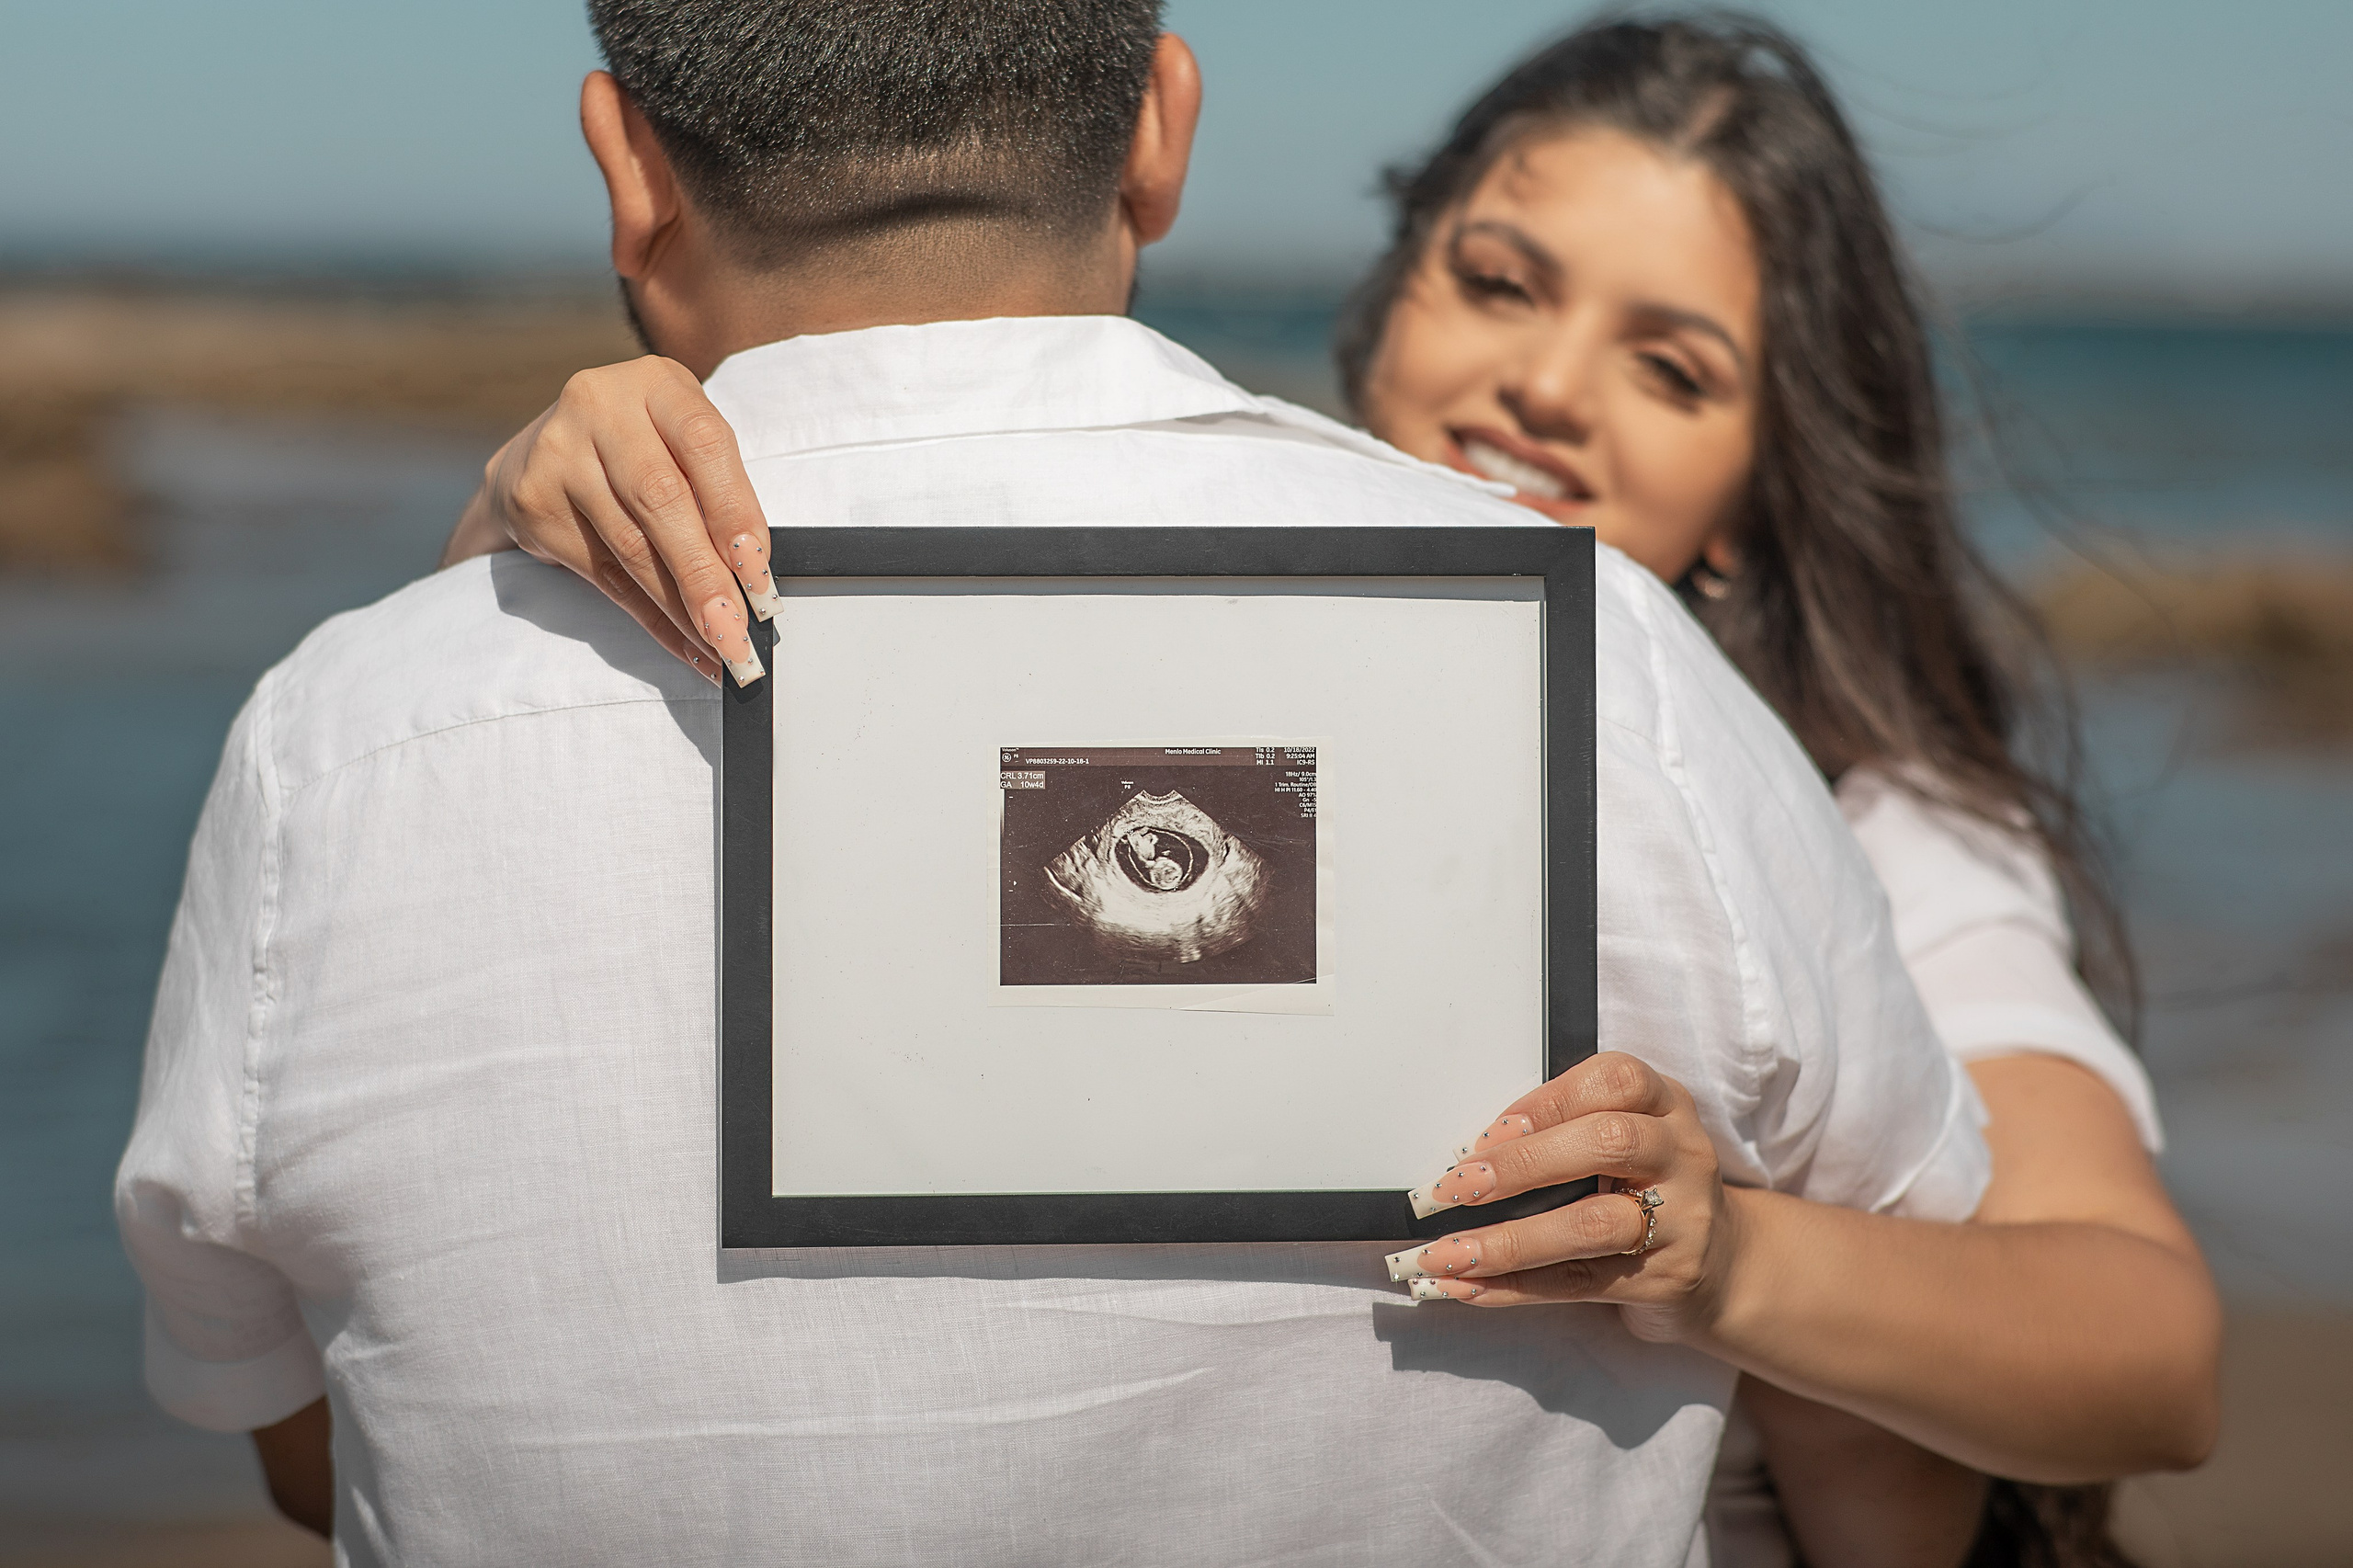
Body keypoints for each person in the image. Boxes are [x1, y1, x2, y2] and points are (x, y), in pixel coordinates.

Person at [116, 4, 1993, 1564]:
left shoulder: (343, 744)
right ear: (1159, 128)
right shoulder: (1613, 669)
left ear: (625, 166)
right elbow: (1890, 1464)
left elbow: (311, 1441)